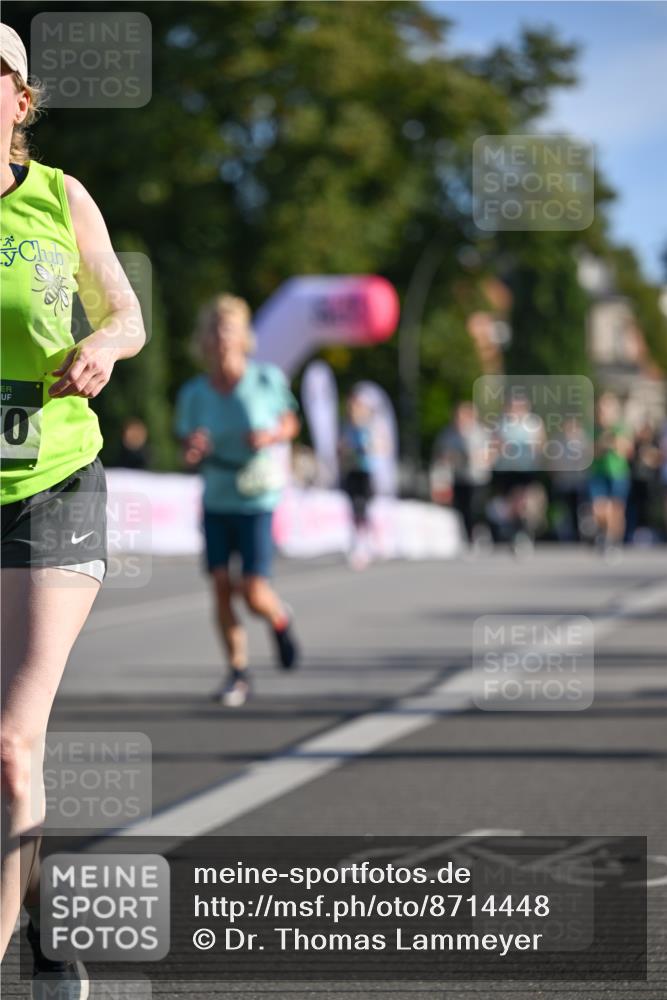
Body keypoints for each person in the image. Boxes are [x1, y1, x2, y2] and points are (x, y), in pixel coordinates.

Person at [0, 24, 146, 998]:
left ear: (19, 100)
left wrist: (103, 345)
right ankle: (49, 928)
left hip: (52, 482)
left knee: (12, 745)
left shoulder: (60, 195)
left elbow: (126, 312)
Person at [175, 294, 300, 707]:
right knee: (220, 587)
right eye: (213, 329)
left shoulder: (265, 379)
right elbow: (186, 447)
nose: (221, 336)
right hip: (217, 496)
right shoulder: (194, 392)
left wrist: (272, 435)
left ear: (243, 336)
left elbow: (290, 422)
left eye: (227, 328)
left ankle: (279, 618)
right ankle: (238, 672)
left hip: (257, 497)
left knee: (253, 590)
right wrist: (193, 448)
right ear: (204, 340)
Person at [489, 393, 547, 554]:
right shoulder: (501, 423)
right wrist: (501, 448)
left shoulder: (533, 422)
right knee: (511, 505)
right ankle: (516, 533)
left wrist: (533, 448)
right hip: (506, 469)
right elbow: (494, 444)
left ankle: (523, 534)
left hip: (526, 469)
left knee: (523, 501)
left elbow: (541, 444)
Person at [431, 401, 492, 545]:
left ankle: (480, 533)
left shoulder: (480, 433)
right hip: (458, 476)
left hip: (477, 477)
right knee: (460, 508)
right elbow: (440, 454)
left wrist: (477, 457)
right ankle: (465, 536)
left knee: (476, 507)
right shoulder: (448, 434)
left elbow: (489, 453)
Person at [588, 392, 633, 557]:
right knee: (599, 509)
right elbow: (591, 453)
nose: (603, 412)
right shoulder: (594, 429)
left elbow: (626, 451)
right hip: (598, 474)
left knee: (616, 510)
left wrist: (613, 440)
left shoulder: (621, 428)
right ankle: (604, 534)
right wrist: (602, 443)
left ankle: (614, 541)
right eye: (601, 409)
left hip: (618, 474)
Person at [339, 390, 377, 570]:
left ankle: (366, 543)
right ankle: (357, 542)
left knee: (363, 506)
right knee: (352, 507)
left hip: (364, 471)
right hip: (351, 471)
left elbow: (373, 447)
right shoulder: (346, 427)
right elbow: (341, 449)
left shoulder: (366, 427)